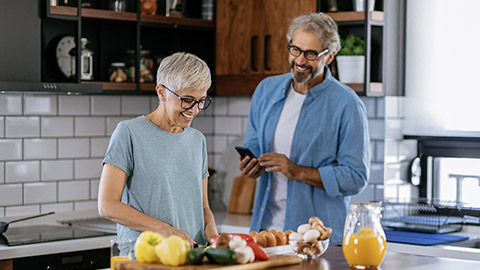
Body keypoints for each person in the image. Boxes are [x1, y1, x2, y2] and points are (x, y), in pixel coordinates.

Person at [239, 12, 370, 246]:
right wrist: (252, 165)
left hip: (317, 241)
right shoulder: (266, 90)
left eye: (310, 54)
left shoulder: (347, 104)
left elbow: (356, 176)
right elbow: (254, 145)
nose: (300, 60)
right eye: (295, 50)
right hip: (266, 235)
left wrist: (297, 171)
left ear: (330, 56)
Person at [98, 52, 218, 254]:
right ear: (161, 92)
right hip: (146, 259)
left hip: (192, 258)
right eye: (187, 100)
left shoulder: (197, 140)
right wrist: (165, 230)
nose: (195, 110)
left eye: (201, 100)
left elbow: (203, 206)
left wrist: (212, 232)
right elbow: (108, 205)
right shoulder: (129, 133)